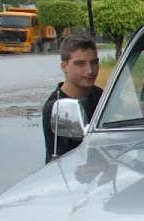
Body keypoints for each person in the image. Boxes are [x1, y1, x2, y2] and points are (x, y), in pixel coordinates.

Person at [42, 35, 103, 163]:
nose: (90, 70)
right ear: (64, 67)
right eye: (80, 64)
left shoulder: (99, 95)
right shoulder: (57, 107)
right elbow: (65, 160)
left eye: (94, 62)